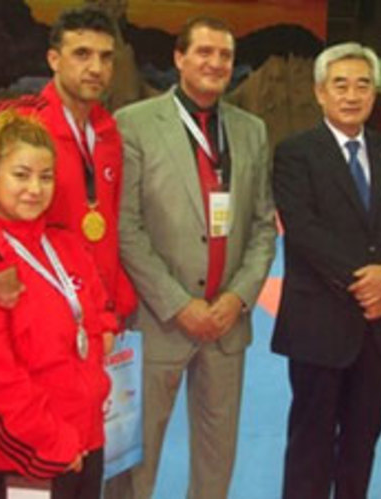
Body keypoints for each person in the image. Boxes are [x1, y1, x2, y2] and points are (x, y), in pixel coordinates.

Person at [105, 16, 277, 499]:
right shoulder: (135, 124)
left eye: (225, 55)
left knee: (217, 457)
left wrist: (237, 298)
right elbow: (126, 227)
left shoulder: (251, 130)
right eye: (204, 52)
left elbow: (264, 225)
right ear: (179, 58)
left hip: (227, 323)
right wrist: (179, 304)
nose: (215, 63)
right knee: (135, 460)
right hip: (159, 319)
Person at [271, 41, 381, 499]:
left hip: (378, 328)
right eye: (341, 85)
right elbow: (303, 229)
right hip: (320, 324)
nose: (352, 95)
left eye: (363, 85)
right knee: (311, 445)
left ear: (374, 93)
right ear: (320, 92)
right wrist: (368, 282)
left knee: (362, 442)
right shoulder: (295, 153)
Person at [0, 109, 116, 499]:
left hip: (87, 439)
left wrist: (103, 334)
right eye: (20, 175)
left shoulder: (65, 245)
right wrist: (53, 442)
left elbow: (95, 310)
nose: (34, 189)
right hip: (26, 456)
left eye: (46, 177)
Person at [0, 6, 136, 323]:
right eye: (82, 54)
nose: (96, 68)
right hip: (33, 302)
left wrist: (114, 302)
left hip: (95, 308)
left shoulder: (108, 132)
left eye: (106, 57)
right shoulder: (17, 118)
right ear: (54, 60)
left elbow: (108, 223)